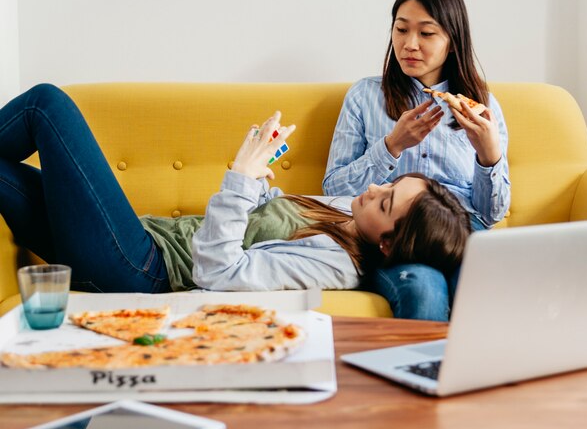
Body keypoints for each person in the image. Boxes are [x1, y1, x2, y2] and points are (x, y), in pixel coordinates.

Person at [0, 84, 471, 296]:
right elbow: (265, 222)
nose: (372, 187)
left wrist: (242, 178)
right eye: (388, 183)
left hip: (138, 268)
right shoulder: (345, 212)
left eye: (385, 202)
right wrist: (261, 172)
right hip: (138, 239)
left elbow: (219, 272)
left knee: (47, 106)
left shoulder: (333, 266)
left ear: (389, 242)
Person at [323, 0, 511, 318]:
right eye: (401, 29)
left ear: (453, 42)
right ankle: (418, 371)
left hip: (460, 230)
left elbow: (490, 214)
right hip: (395, 235)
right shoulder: (366, 96)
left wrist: (488, 155)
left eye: (426, 34)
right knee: (422, 288)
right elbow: (333, 188)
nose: (410, 44)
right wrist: (393, 146)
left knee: (485, 283)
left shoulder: (481, 106)